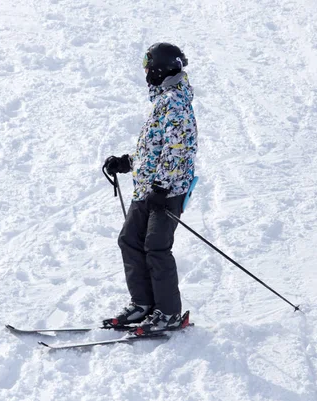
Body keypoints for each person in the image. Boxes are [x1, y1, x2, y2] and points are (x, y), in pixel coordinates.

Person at [102, 42, 198, 333]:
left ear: (159, 68)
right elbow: (156, 148)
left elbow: (179, 150)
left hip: (166, 191)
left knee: (156, 247)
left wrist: (162, 187)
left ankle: (168, 313)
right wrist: (127, 162)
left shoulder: (176, 103)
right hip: (148, 188)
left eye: (148, 66)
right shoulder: (164, 101)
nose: (145, 72)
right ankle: (142, 304)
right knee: (130, 240)